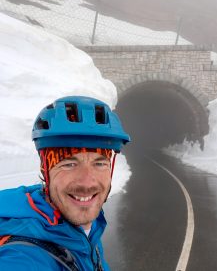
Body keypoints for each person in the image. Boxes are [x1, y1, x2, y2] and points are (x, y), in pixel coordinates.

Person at [0, 95, 130, 271]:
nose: (87, 182)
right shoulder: (23, 258)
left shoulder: (86, 231)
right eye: (69, 164)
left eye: (99, 163)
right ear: (45, 168)